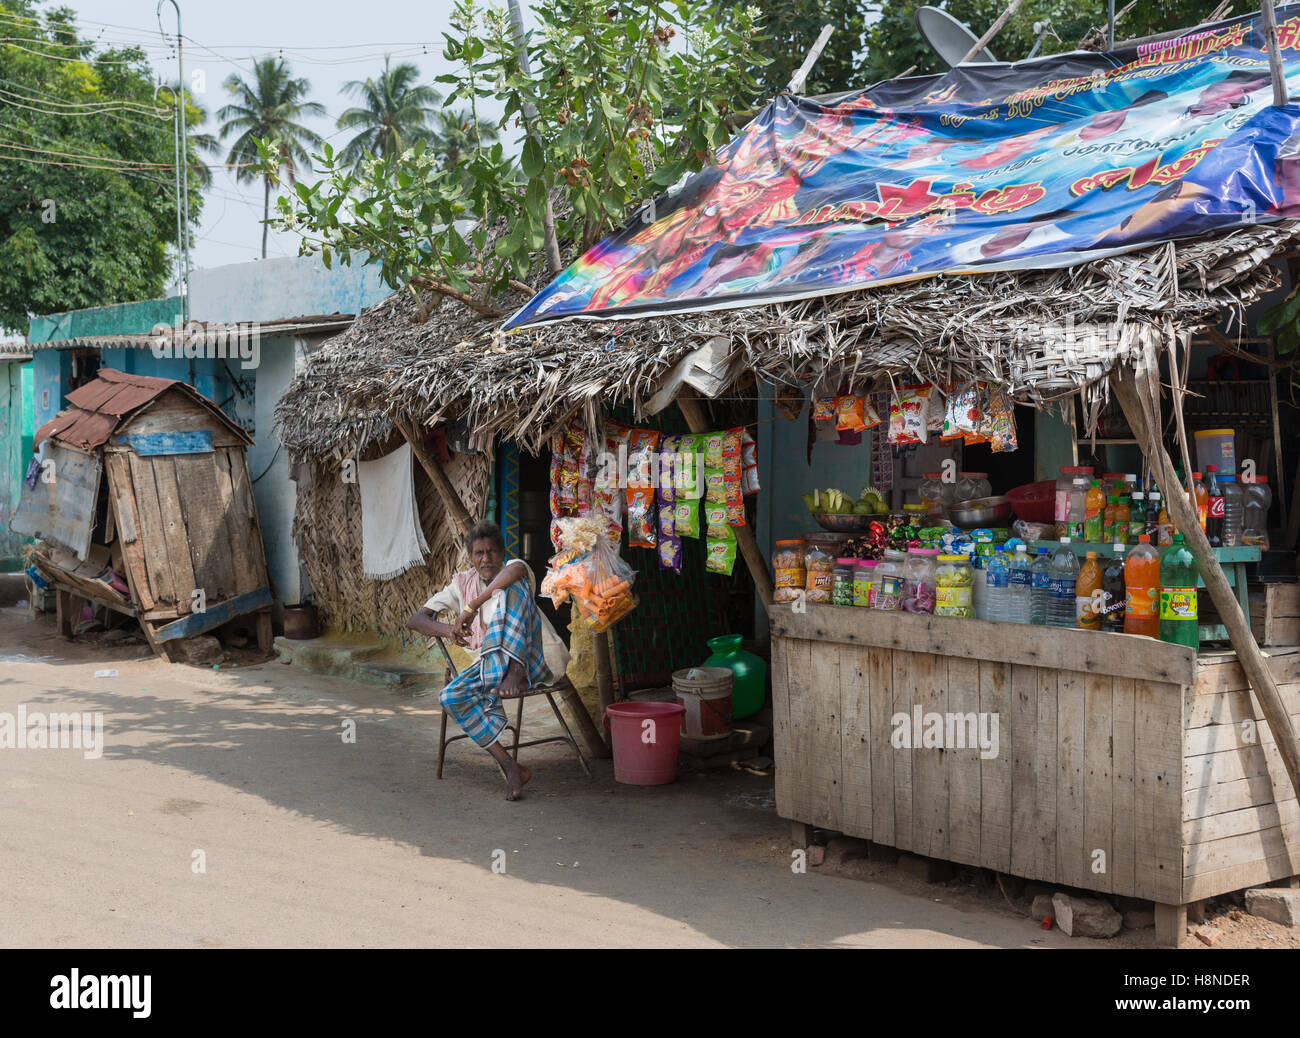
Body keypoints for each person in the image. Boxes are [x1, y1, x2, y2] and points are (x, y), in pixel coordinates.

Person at [407, 520, 569, 801]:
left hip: (534, 662)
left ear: (502, 552)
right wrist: (450, 630)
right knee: (450, 697)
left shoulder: (515, 568)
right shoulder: (461, 584)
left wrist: (471, 607)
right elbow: (415, 619)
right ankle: (511, 766)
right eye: (479, 553)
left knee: (511, 588)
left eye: (491, 552)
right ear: (470, 557)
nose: (485, 558)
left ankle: (515, 668)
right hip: (491, 668)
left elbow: (515, 571)